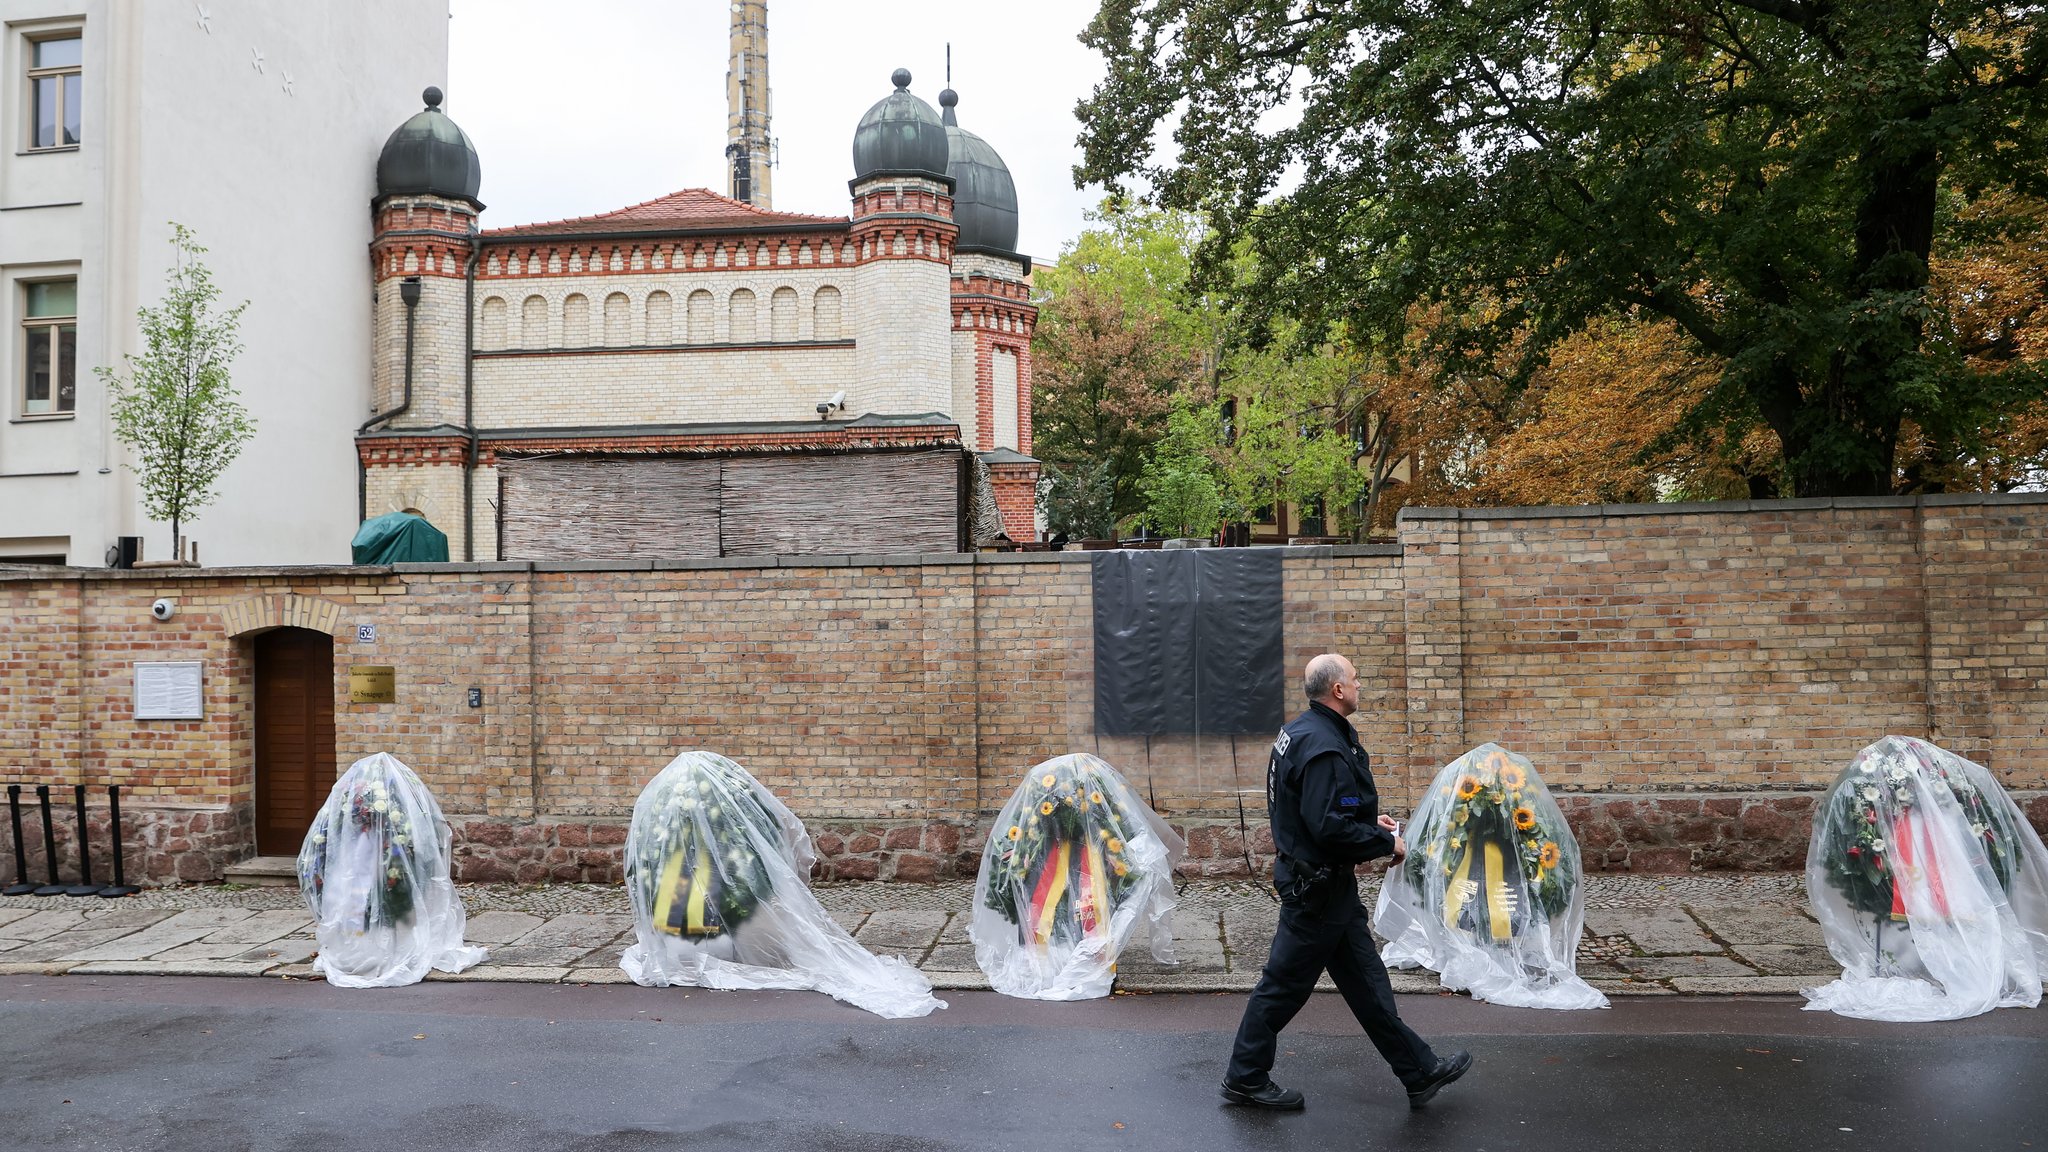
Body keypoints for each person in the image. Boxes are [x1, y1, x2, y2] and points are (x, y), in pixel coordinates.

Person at [1222, 652, 1473, 1111]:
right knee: (1281, 987)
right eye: (1356, 680)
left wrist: (1363, 818)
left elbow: (1313, 806)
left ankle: (1418, 1072)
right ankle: (1245, 1076)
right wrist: (1385, 844)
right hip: (1315, 890)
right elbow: (1328, 826)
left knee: (1367, 983)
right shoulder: (1325, 746)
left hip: (1324, 885)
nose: (1360, 687)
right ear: (1338, 690)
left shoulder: (1301, 731)